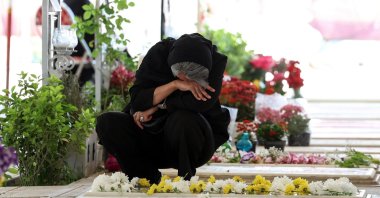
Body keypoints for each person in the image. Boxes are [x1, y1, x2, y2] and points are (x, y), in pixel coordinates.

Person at [96, 33, 230, 184]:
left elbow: (200, 103)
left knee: (183, 117)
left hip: (190, 141)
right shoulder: (159, 53)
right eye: (179, 73)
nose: (185, 78)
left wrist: (157, 106)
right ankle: (145, 178)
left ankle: (185, 181)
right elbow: (138, 100)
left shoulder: (215, 61)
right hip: (151, 136)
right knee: (107, 122)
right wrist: (174, 85)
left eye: (192, 75)